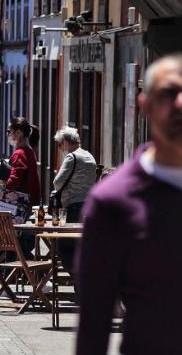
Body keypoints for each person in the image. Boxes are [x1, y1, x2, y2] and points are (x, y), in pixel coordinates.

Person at [76, 55, 182, 354]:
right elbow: (93, 324)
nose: (179, 105)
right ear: (145, 105)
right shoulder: (113, 201)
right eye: (168, 93)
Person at [51, 126, 96, 276]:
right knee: (79, 247)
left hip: (73, 206)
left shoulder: (72, 157)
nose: (60, 148)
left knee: (64, 247)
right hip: (88, 206)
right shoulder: (89, 156)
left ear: (65, 142)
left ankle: (78, 282)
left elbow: (57, 182)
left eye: (59, 144)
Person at [3, 117, 41, 258]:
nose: (9, 135)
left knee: (17, 245)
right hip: (30, 203)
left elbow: (15, 179)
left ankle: (29, 272)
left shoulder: (20, 154)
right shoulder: (29, 151)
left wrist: (0, 187)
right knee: (22, 246)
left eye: (9, 131)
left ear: (18, 133)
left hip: (21, 206)